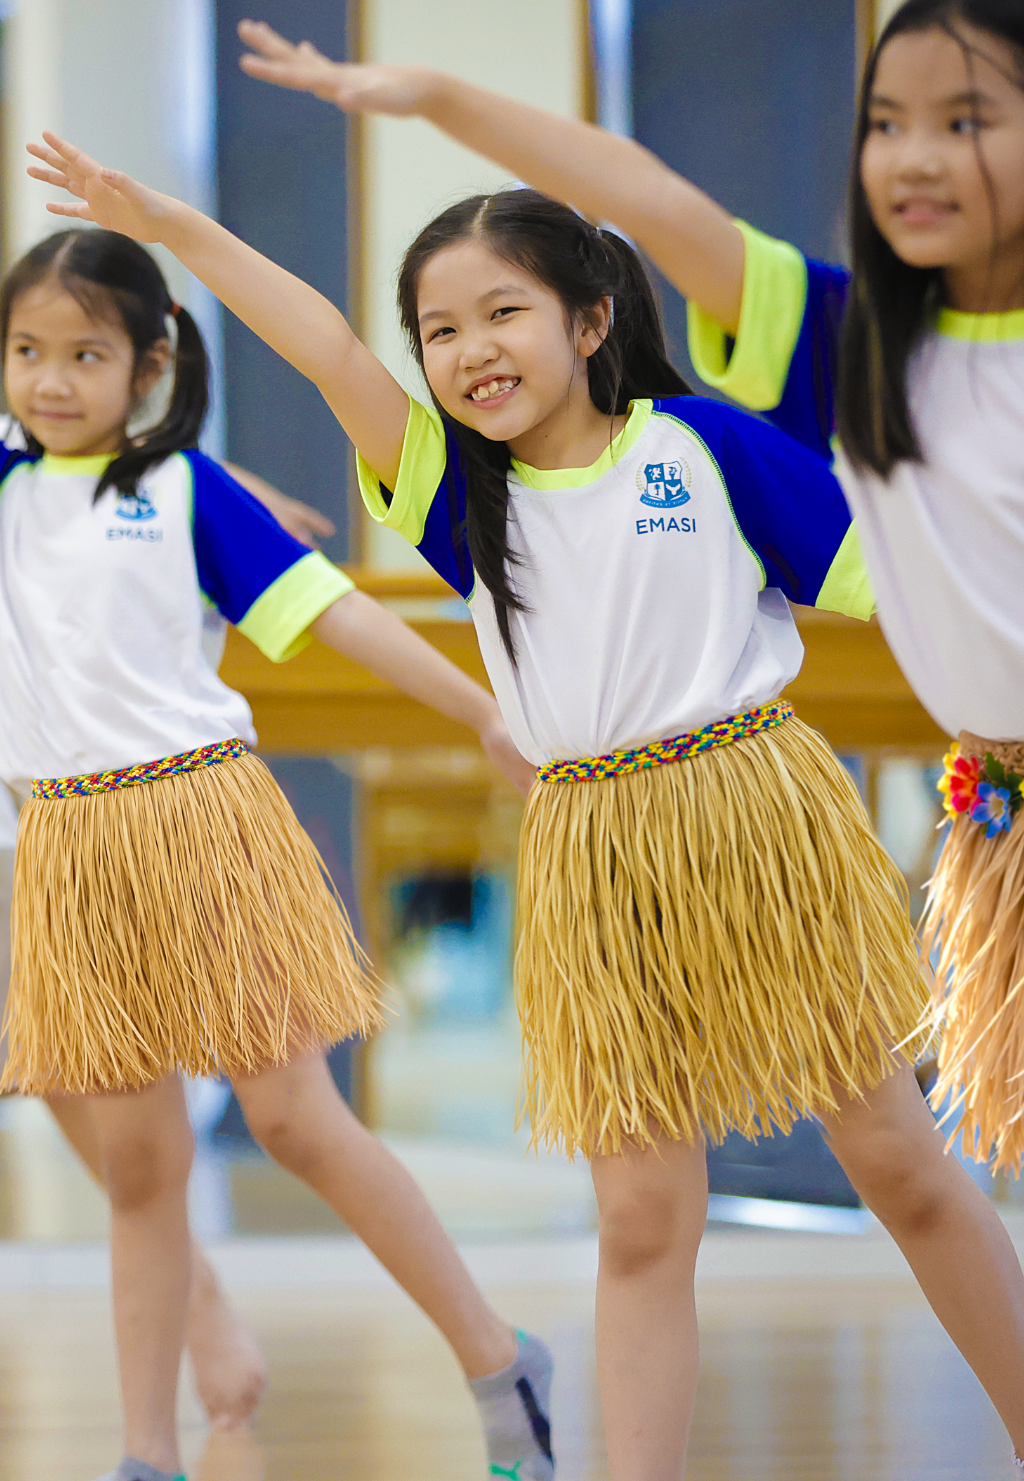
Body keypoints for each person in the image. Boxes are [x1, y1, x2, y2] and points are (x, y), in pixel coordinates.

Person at [29, 120, 1024, 1481]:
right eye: (438, 330)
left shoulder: (706, 448)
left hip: (760, 823)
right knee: (637, 1217)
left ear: (592, 315)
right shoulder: (454, 491)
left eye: (503, 312)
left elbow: (900, 583)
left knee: (902, 1169)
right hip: (591, 854)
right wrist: (169, 228)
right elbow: (320, 343)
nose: (469, 350)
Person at [0, 224, 553, 1481]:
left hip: (206, 827)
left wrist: (476, 708)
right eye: (26, 350)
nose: (48, 379)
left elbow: (339, 614)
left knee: (297, 1121)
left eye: (85, 354)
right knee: (140, 1166)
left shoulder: (186, 494)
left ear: (148, 367)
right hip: (68, 852)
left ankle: (494, 1354)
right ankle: (149, 1453)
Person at [0, 412, 337, 1431]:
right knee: (47, 1057)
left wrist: (227, 488)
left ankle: (194, 1304)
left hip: (44, 768)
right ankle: (194, 1302)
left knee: (58, 1052)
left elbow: (80, 439)